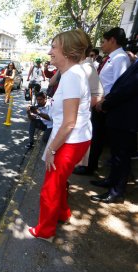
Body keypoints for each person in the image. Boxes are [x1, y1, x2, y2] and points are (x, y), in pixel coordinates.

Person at [28, 29, 92, 241]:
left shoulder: (73, 76)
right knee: (59, 181)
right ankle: (63, 214)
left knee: (50, 188)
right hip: (74, 138)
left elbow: (69, 122)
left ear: (67, 50)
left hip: (69, 141)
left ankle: (45, 231)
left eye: (54, 47)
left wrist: (52, 149)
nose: (49, 52)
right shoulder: (71, 73)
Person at [74, 27, 131, 176]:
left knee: (99, 138)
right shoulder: (112, 58)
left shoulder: (120, 58)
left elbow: (120, 85)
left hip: (106, 106)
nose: (102, 44)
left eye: (104, 41)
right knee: (95, 136)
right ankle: (89, 166)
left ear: (112, 40)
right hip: (100, 104)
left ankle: (90, 167)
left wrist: (104, 102)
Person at [90, 57, 138, 203]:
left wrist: (105, 103)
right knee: (116, 154)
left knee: (122, 157)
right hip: (120, 117)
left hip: (126, 118)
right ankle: (112, 181)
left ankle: (117, 192)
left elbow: (126, 90)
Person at [73, 33, 105, 174]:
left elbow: (99, 96)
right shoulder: (77, 66)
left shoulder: (86, 68)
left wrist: (74, 108)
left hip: (76, 125)